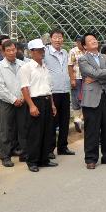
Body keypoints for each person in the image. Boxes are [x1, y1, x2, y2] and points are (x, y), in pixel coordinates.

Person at [78, 33, 106, 169]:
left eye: (94, 39)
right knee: (92, 129)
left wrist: (97, 77)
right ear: (85, 46)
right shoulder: (83, 59)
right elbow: (98, 73)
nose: (94, 41)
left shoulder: (105, 57)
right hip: (91, 98)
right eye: (90, 40)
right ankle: (90, 159)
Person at [19, 38, 57, 172]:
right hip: (35, 101)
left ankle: (44, 159)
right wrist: (31, 106)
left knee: (47, 131)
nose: (42, 52)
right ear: (31, 52)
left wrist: (52, 104)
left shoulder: (44, 66)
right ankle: (32, 161)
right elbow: (24, 88)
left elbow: (49, 87)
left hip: (46, 100)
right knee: (34, 133)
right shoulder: (26, 68)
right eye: (39, 50)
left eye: (43, 49)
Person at [0, 39, 27, 168]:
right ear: (3, 52)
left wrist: (22, 98)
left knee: (23, 128)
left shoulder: (23, 65)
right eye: (8, 50)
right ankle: (5, 156)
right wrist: (14, 99)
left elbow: (26, 83)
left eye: (13, 50)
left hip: (22, 100)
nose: (12, 52)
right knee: (6, 130)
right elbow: (0, 88)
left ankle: (24, 153)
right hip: (7, 102)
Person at [44, 29, 75, 158]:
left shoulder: (65, 52)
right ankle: (50, 149)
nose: (58, 40)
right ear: (50, 39)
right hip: (52, 91)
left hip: (65, 90)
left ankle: (63, 146)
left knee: (64, 120)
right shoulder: (45, 52)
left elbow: (69, 68)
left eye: (60, 37)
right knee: (52, 121)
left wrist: (71, 79)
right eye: (55, 37)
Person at [68, 35, 85, 133]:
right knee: (76, 98)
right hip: (77, 78)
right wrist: (72, 79)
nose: (80, 44)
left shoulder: (86, 51)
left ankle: (80, 119)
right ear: (76, 43)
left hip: (86, 78)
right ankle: (77, 119)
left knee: (85, 98)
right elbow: (70, 66)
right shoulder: (73, 51)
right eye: (78, 42)